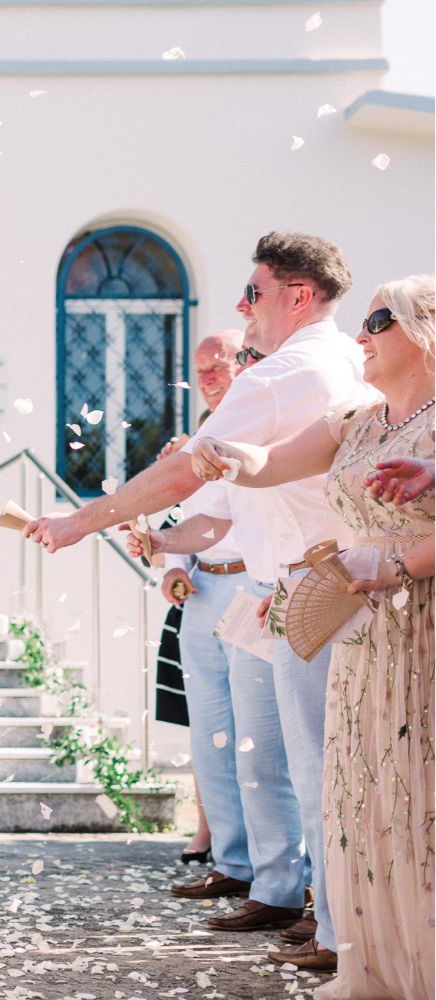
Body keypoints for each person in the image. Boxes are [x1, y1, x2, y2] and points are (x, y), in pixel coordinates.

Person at [26, 232, 375, 953]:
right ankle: (326, 908)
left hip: (311, 588)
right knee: (341, 764)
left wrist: (79, 521)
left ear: (297, 296)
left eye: (254, 292)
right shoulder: (349, 358)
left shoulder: (279, 374)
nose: (242, 307)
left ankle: (339, 931)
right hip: (350, 580)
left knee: (314, 767)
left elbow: (187, 473)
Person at [191, 274, 434, 990]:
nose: (361, 334)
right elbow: (268, 465)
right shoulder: (356, 418)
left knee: (422, 796)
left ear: (423, 330)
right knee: (365, 797)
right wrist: (231, 456)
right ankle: (382, 961)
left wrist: (399, 562)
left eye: (378, 320)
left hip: (422, 630)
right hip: (360, 638)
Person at [152, 328, 249, 868]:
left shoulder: (259, 426)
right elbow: (178, 518)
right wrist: (171, 565)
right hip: (202, 585)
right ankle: (224, 851)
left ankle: (259, 861)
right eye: (201, 368)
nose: (207, 378)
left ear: (246, 364)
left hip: (247, 582)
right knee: (207, 723)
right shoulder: (192, 441)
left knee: (255, 726)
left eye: (220, 365)